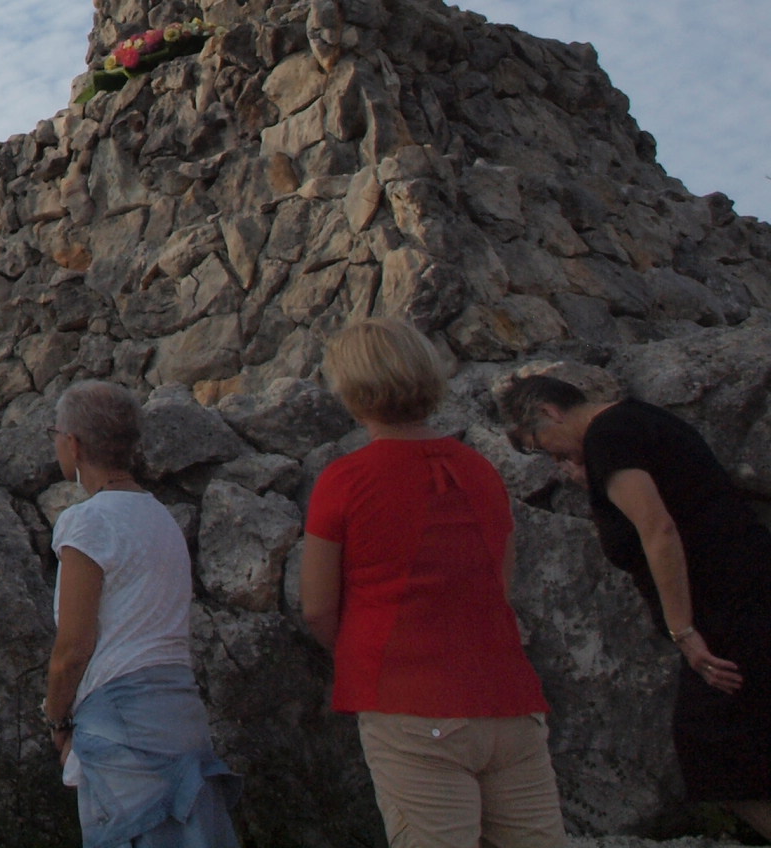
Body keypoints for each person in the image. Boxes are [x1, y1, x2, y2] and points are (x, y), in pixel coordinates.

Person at [300, 318, 561, 848]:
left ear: (350, 391)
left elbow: (316, 607)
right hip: (509, 701)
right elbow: (499, 587)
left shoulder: (345, 480)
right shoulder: (480, 469)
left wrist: (362, 653)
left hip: (410, 706)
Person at [497, 373, 771, 834]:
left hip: (731, 607)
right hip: (745, 591)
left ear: (549, 412)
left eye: (542, 443)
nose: (552, 456)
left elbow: (658, 530)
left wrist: (683, 632)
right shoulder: (631, 422)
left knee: (713, 747)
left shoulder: (609, 438)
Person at [43, 380, 240, 848]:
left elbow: (73, 648)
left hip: (121, 723)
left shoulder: (87, 521)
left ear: (73, 443)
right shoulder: (160, 517)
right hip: (180, 713)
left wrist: (55, 718)